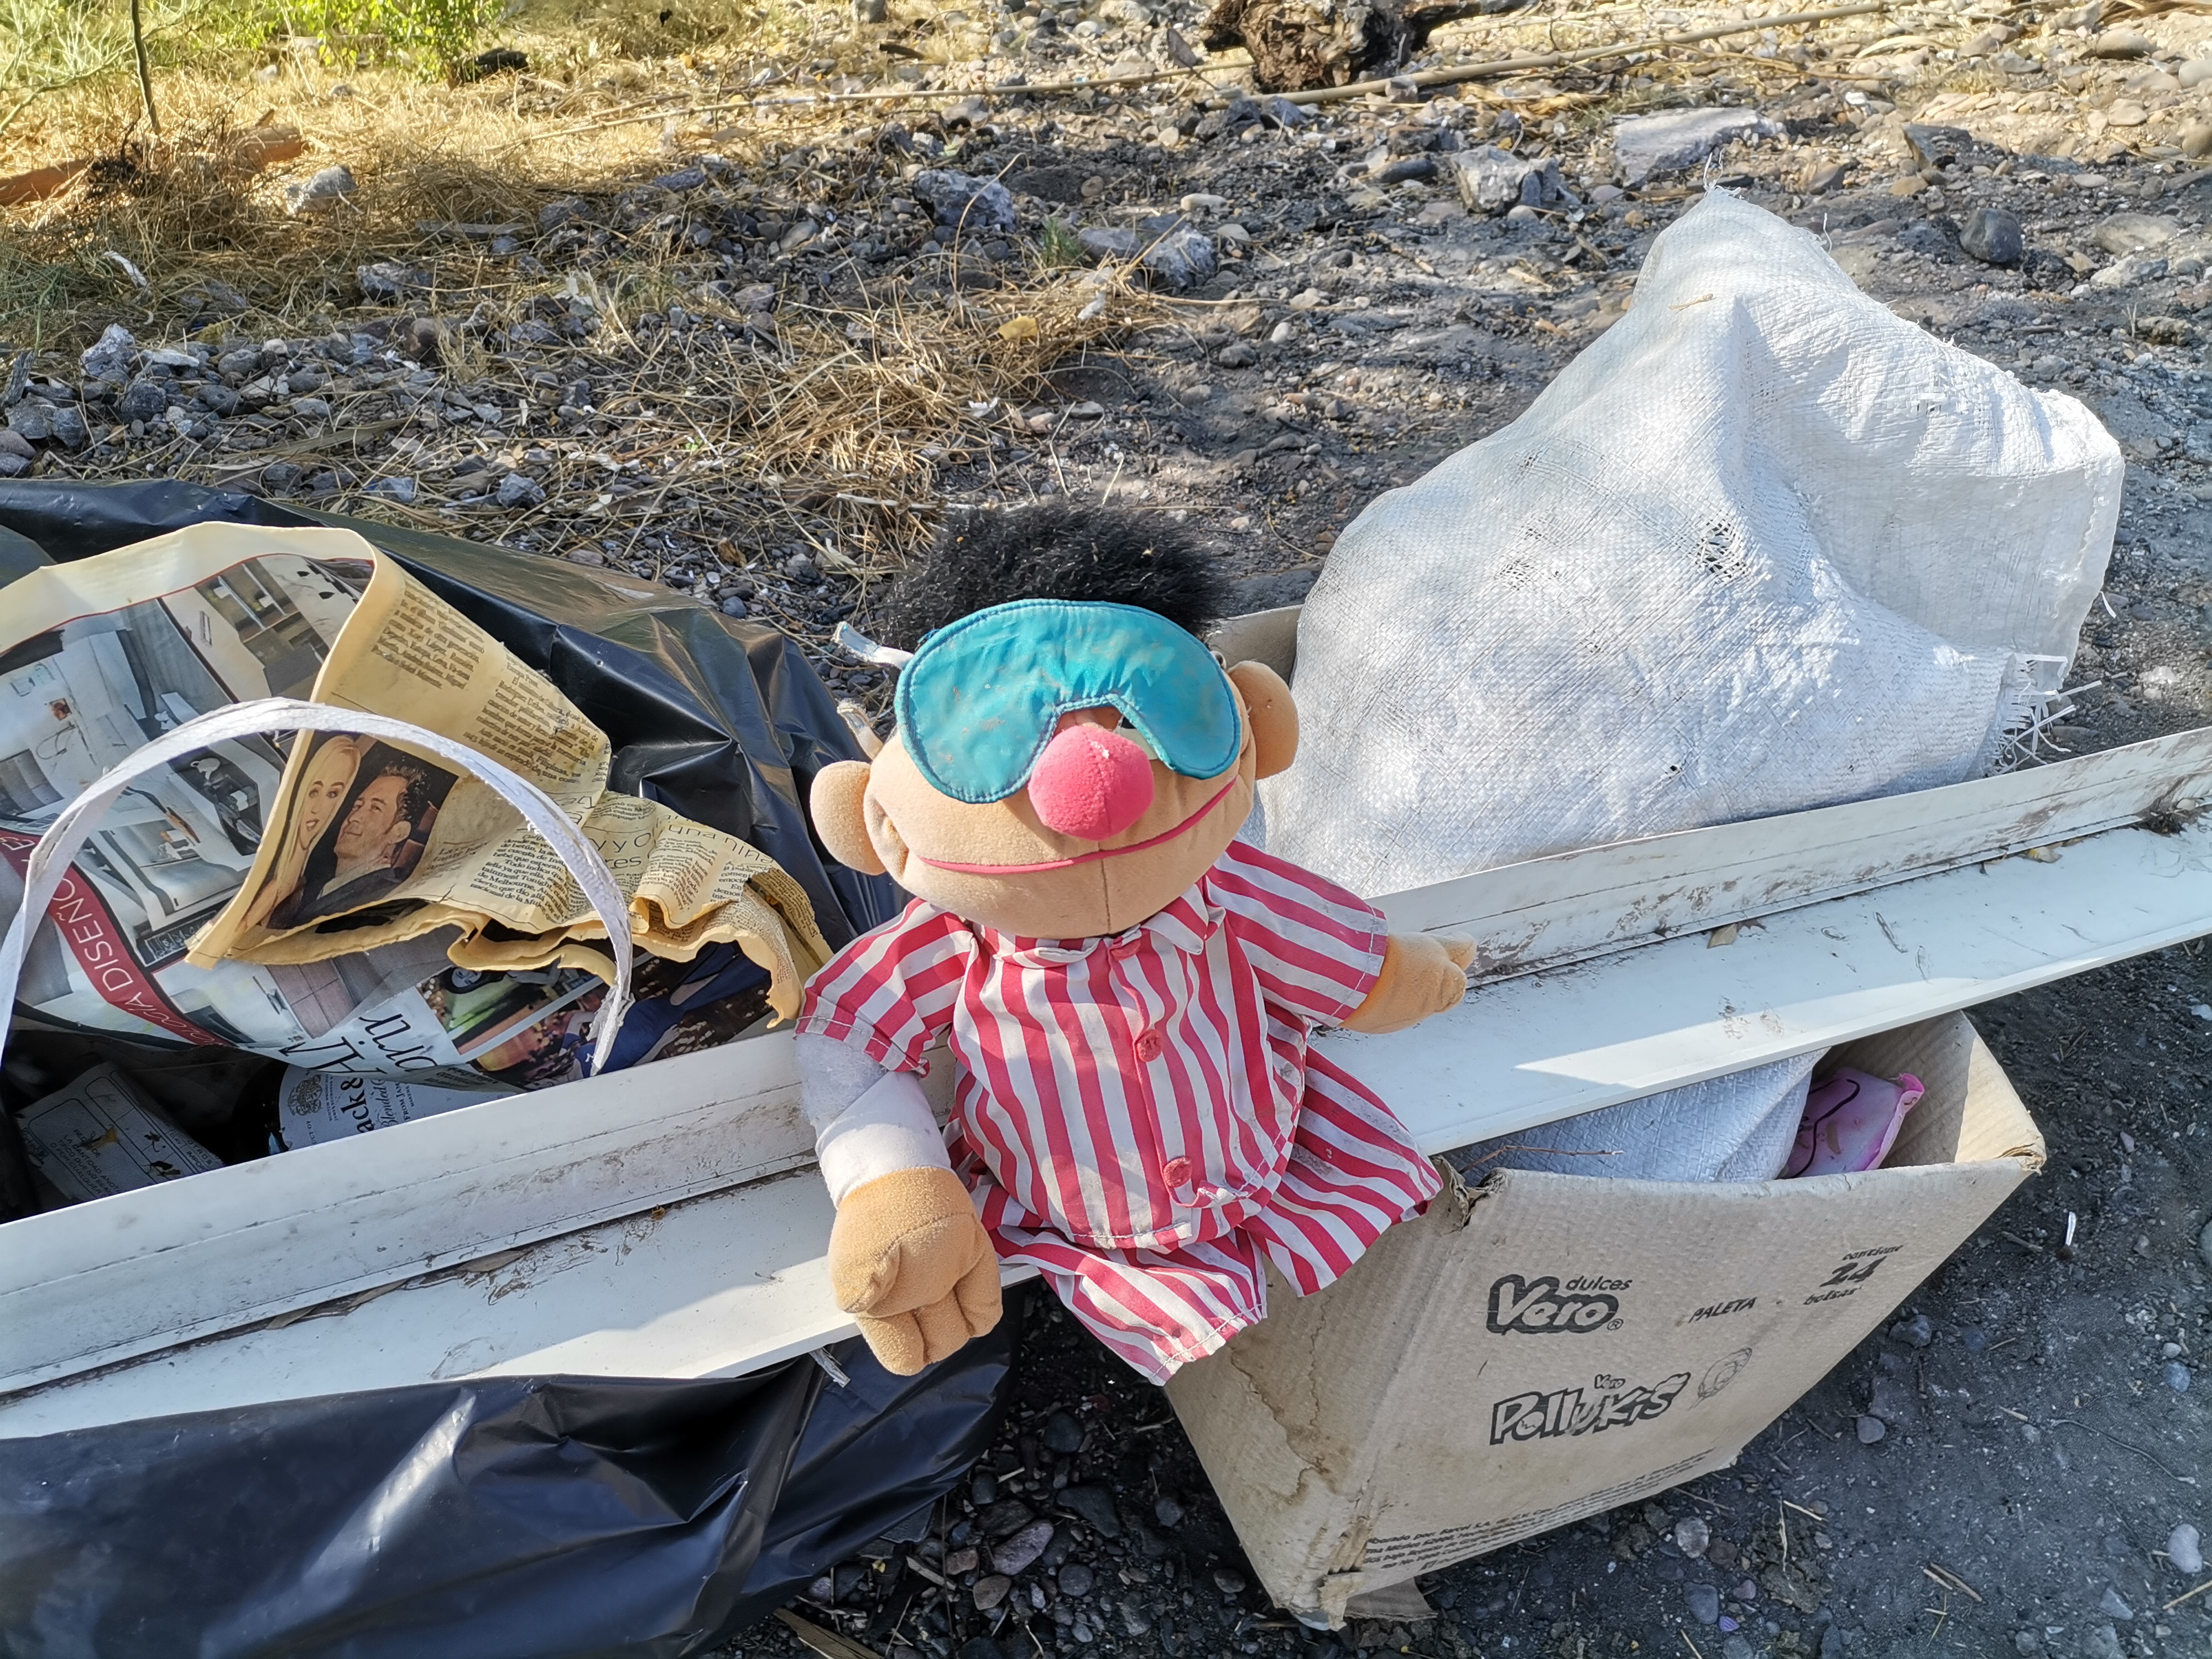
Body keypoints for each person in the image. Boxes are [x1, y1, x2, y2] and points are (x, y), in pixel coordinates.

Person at [280, 760, 434, 926]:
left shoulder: (381, 898)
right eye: (357, 806)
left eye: (375, 808)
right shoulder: (316, 885)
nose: (354, 817)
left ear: (399, 832)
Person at [241, 735, 361, 932]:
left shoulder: (314, 873)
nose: (317, 809)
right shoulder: (272, 882)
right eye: (314, 792)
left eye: (333, 794)